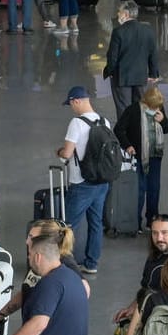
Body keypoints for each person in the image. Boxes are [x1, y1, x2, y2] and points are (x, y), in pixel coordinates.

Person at [57, 86, 112, 274]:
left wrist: (59, 153)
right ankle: (91, 263)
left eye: (71, 104)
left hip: (81, 183)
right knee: (96, 223)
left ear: (76, 101)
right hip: (101, 182)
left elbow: (67, 152)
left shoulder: (76, 123)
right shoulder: (105, 121)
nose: (72, 108)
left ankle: (62, 263)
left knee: (67, 225)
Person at [115, 85, 168, 230]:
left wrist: (162, 120)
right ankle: (135, 222)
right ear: (146, 102)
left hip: (155, 156)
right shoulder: (133, 110)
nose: (155, 109)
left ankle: (152, 219)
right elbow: (119, 129)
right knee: (139, 189)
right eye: (152, 106)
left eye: (157, 106)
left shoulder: (159, 109)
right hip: (138, 156)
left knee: (154, 189)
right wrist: (128, 146)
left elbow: (167, 129)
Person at [103, 2, 159, 118]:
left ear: (126, 14)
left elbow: (112, 56)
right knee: (140, 108)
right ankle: (139, 132)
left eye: (119, 12)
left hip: (121, 78)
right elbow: (153, 53)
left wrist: (110, 71)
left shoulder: (118, 32)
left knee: (123, 109)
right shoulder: (147, 30)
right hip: (140, 76)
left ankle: (125, 133)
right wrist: (153, 73)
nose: (118, 14)